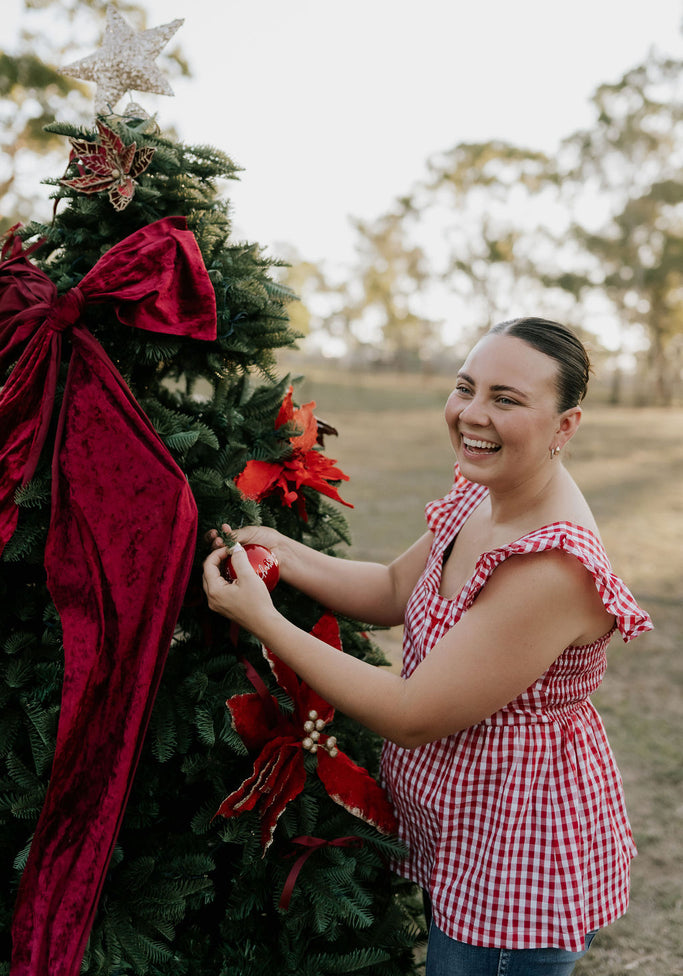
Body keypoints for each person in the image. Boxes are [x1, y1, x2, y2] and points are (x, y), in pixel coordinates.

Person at [203, 317, 652, 976]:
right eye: (466, 387)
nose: (472, 414)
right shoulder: (485, 486)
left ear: (565, 425)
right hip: (462, 820)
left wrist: (266, 621)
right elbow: (390, 588)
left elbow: (412, 713)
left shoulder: (551, 565)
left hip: (511, 853)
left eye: (506, 399)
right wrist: (282, 554)